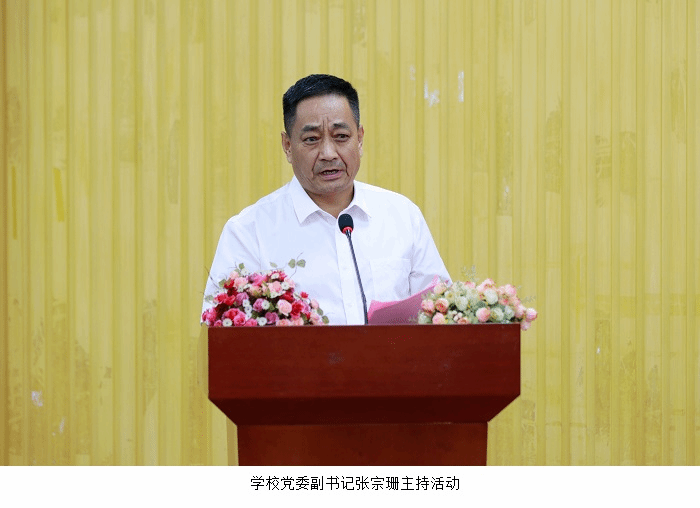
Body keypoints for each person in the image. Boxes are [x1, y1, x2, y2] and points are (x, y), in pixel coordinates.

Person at [203, 74, 450, 325]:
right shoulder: (249, 232)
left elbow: (441, 315)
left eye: (341, 136)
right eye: (311, 139)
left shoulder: (402, 216)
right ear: (287, 146)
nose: (328, 153)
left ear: (360, 139)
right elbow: (222, 328)